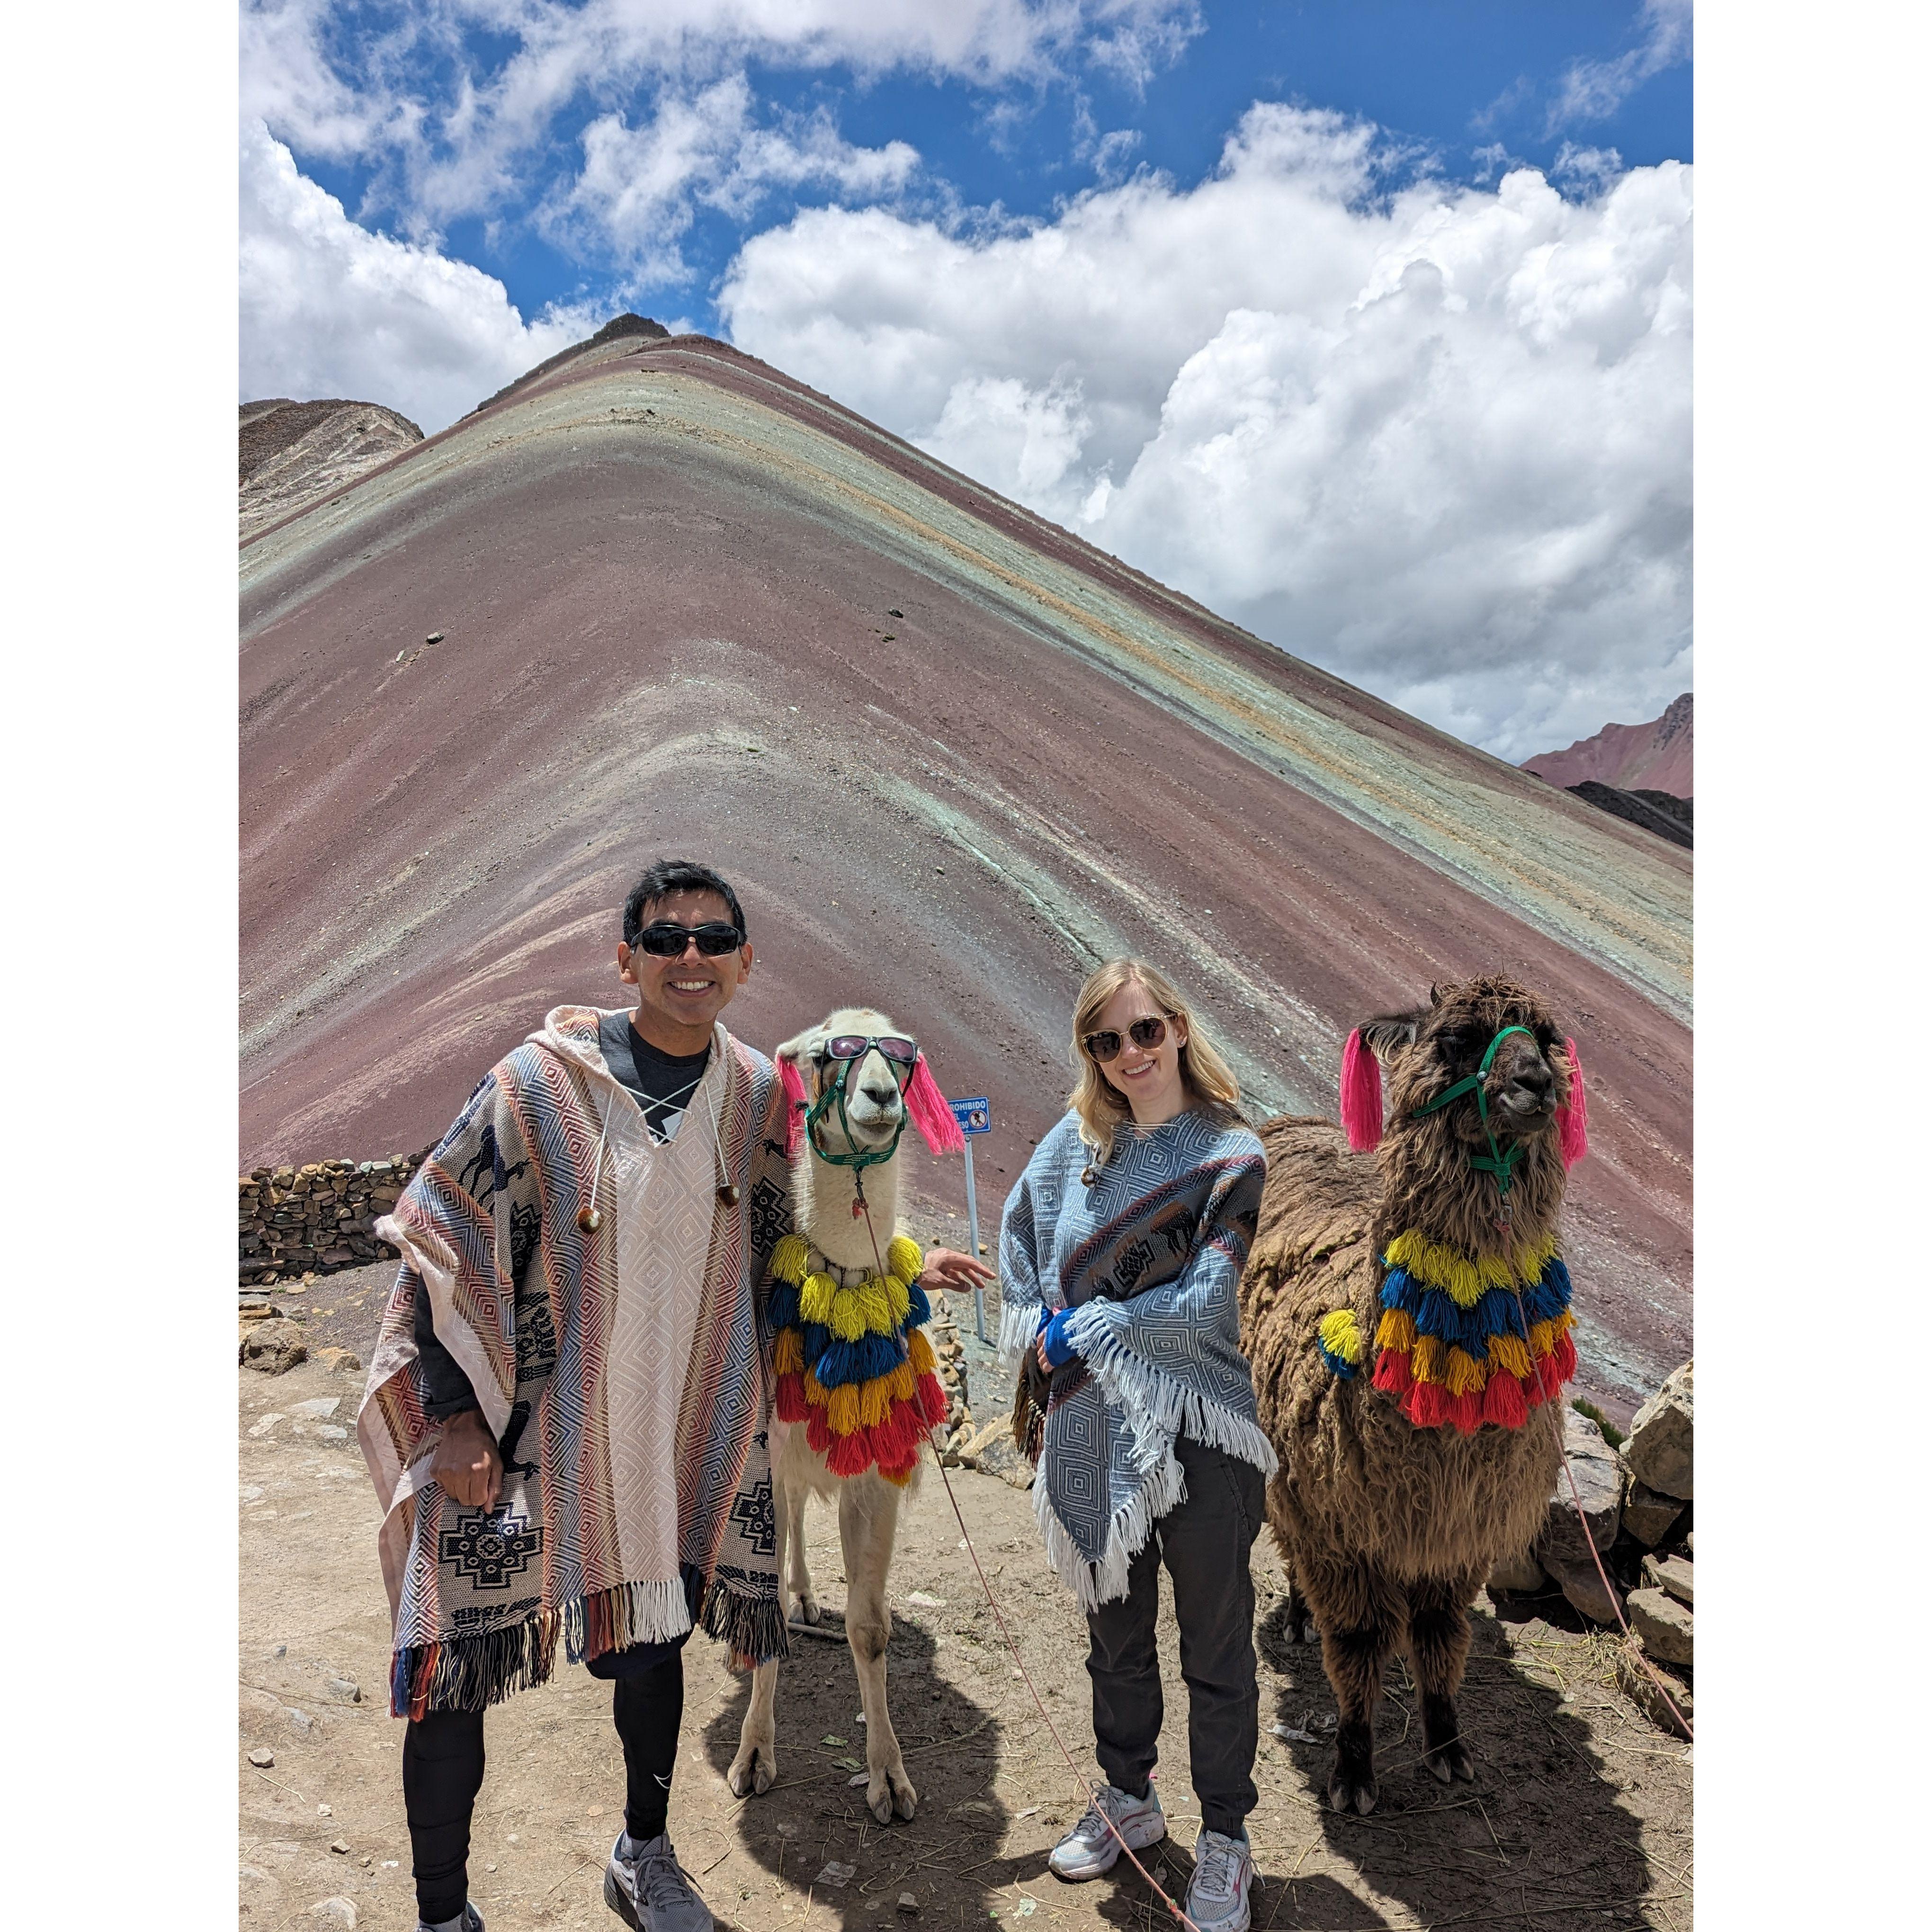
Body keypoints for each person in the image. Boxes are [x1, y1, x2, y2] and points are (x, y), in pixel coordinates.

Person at [358, 859, 796, 1932]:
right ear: (626, 959)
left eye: (711, 938)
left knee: (655, 1646)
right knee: (453, 1663)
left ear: (744, 959)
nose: (688, 957)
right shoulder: (535, 1085)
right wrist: (456, 1415)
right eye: (664, 939)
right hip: (519, 1432)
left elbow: (784, 1246)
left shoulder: (755, 1093)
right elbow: (445, 1234)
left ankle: (643, 1856)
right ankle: (441, 1912)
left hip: (664, 1436)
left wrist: (886, 1287)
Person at [996, 958, 1274, 1932]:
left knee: (1213, 1642)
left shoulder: (1231, 1154)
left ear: (1181, 1029)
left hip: (1199, 1424)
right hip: (1089, 1421)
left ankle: (1228, 1842)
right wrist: (1036, 1328)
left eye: (1145, 1032)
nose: (1129, 1056)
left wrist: (1100, 1325)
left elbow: (1209, 1297)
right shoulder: (1071, 1149)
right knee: (1113, 1636)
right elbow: (1021, 1244)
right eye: (1105, 1042)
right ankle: (1130, 1800)